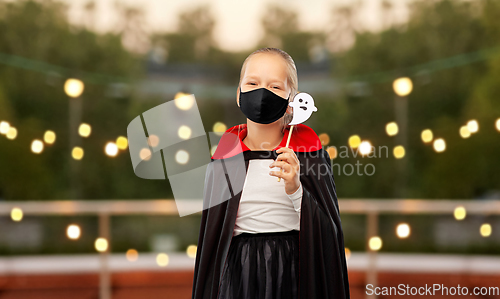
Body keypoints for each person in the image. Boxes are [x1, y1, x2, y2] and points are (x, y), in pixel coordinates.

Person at [191, 47, 350, 299]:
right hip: (236, 272)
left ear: (291, 101)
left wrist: (296, 190)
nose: (262, 92)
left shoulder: (308, 154)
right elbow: (213, 237)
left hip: (293, 269)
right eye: (252, 82)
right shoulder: (224, 158)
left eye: (275, 87)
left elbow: (328, 234)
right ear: (239, 94)